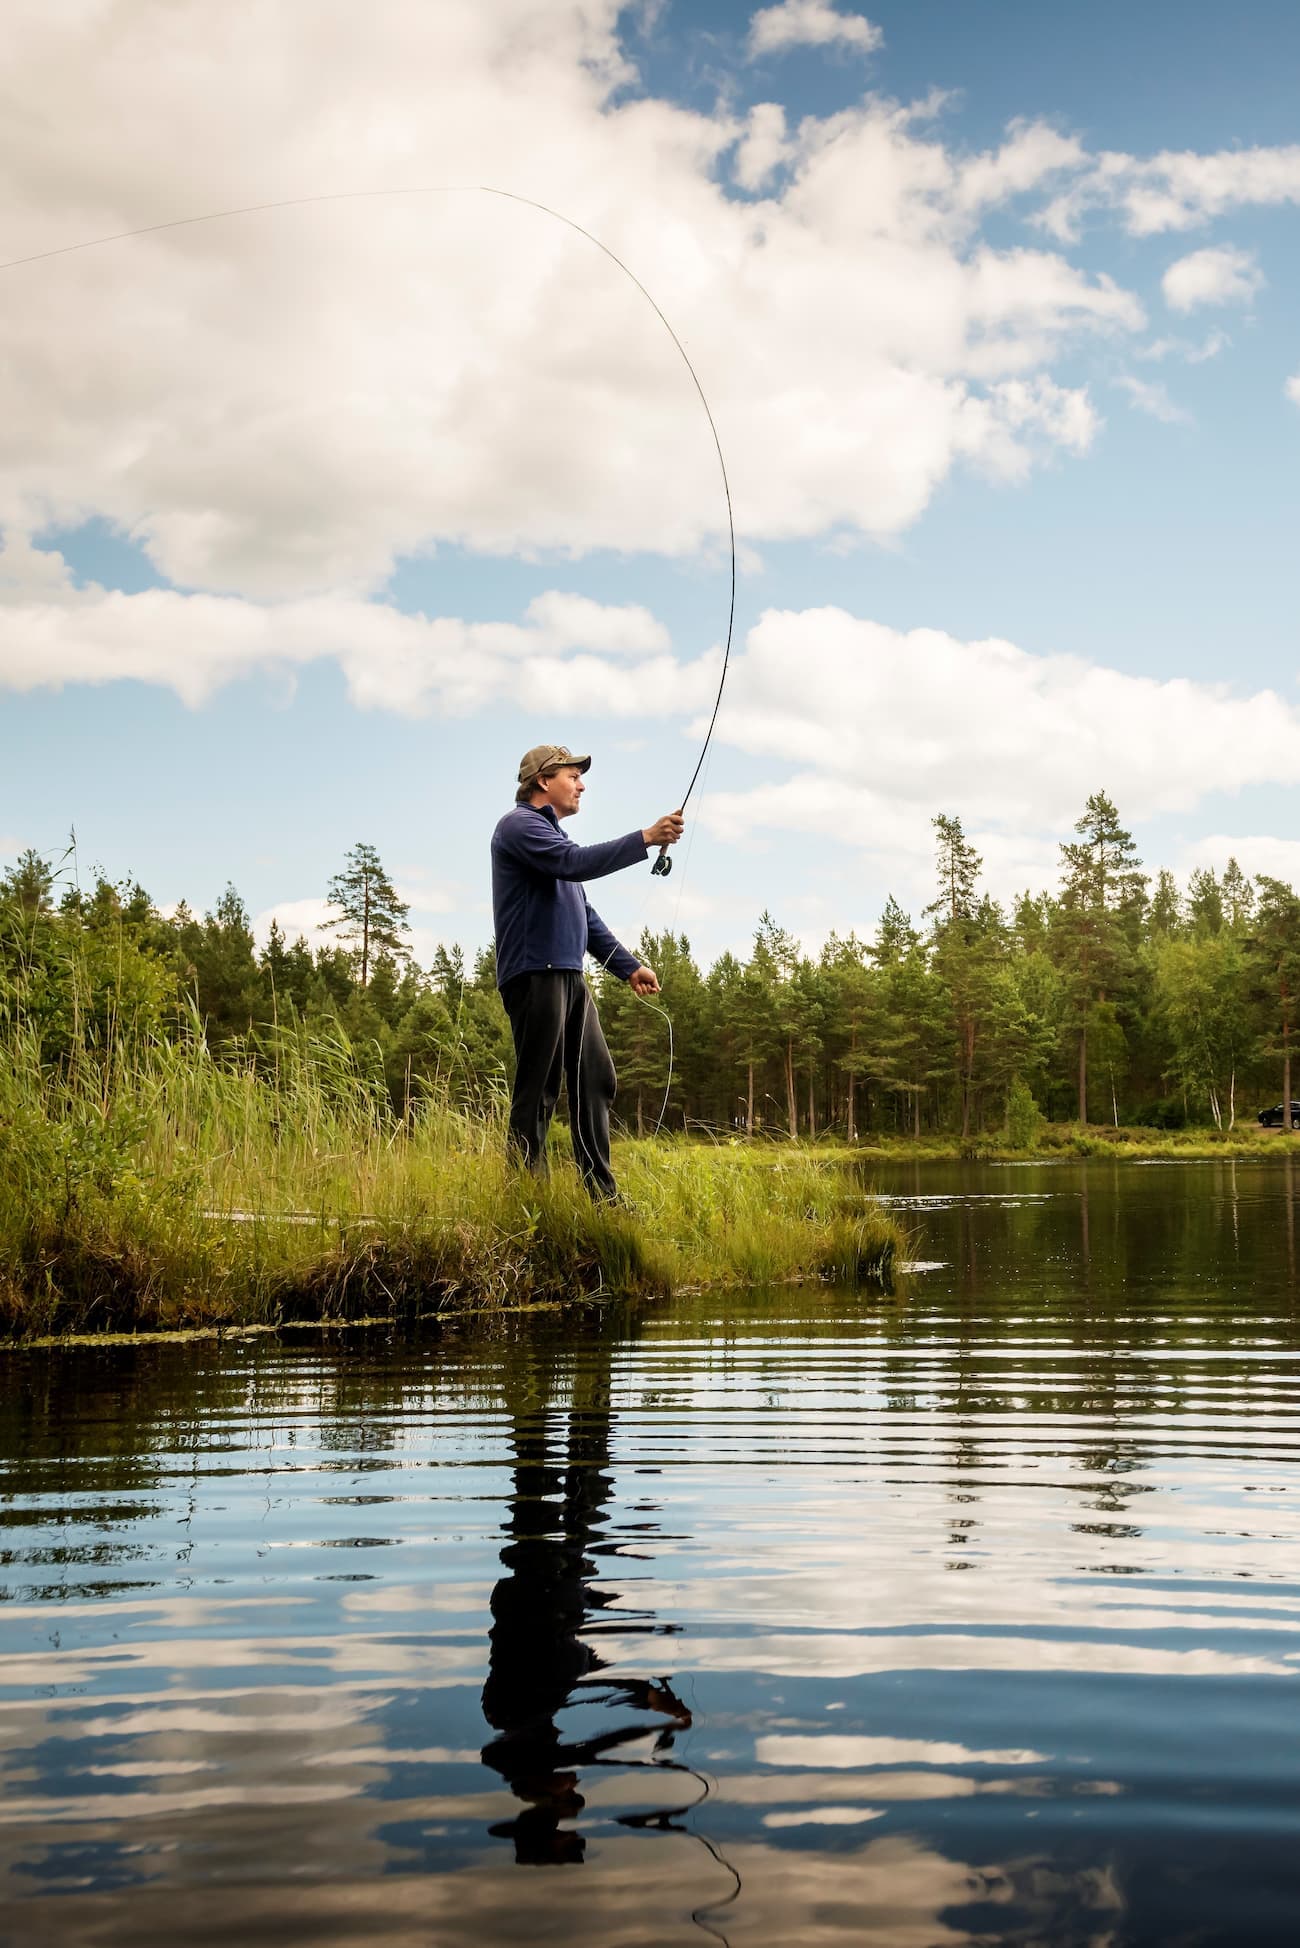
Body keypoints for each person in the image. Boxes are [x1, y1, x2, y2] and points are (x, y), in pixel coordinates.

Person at [491, 743, 684, 1197]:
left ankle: (602, 1197)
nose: (581, 784)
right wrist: (645, 838)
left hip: (568, 976)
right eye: (572, 775)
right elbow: (574, 864)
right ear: (543, 781)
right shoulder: (519, 826)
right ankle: (525, 1196)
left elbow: (583, 911)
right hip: (535, 973)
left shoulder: (551, 839)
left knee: (596, 1078)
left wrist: (628, 967)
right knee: (538, 1088)